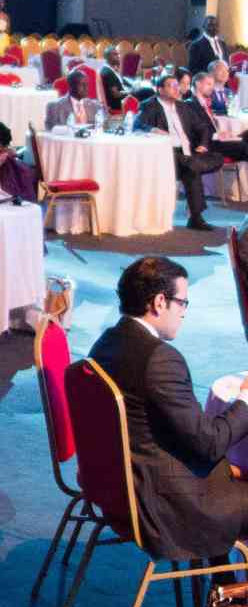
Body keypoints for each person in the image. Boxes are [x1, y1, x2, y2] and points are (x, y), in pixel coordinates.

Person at [88, 256, 248, 561]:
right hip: (167, 505)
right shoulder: (160, 360)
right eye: (182, 303)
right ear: (160, 302)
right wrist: (245, 399)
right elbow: (209, 445)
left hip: (123, 487)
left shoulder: (106, 343)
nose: (184, 312)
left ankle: (224, 583)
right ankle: (229, 586)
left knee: (232, 471)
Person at [133, 73, 223, 231]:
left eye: (177, 85)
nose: (176, 89)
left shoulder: (183, 106)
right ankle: (196, 218)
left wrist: (203, 144)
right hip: (166, 154)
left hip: (187, 153)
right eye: (171, 86)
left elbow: (202, 127)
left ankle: (193, 164)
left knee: (216, 158)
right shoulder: (150, 105)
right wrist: (153, 129)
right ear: (160, 89)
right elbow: (137, 125)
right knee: (191, 168)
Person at [183, 71, 248, 162]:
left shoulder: (204, 102)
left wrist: (221, 133)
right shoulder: (190, 104)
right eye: (208, 84)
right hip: (209, 143)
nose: (212, 88)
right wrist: (217, 135)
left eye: (212, 85)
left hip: (216, 137)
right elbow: (198, 130)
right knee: (242, 146)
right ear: (198, 84)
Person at [100, 47, 130, 112]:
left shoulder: (112, 70)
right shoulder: (107, 72)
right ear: (108, 57)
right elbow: (116, 94)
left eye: (118, 54)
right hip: (116, 106)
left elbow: (122, 85)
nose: (118, 56)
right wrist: (130, 92)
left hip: (122, 101)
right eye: (115, 54)